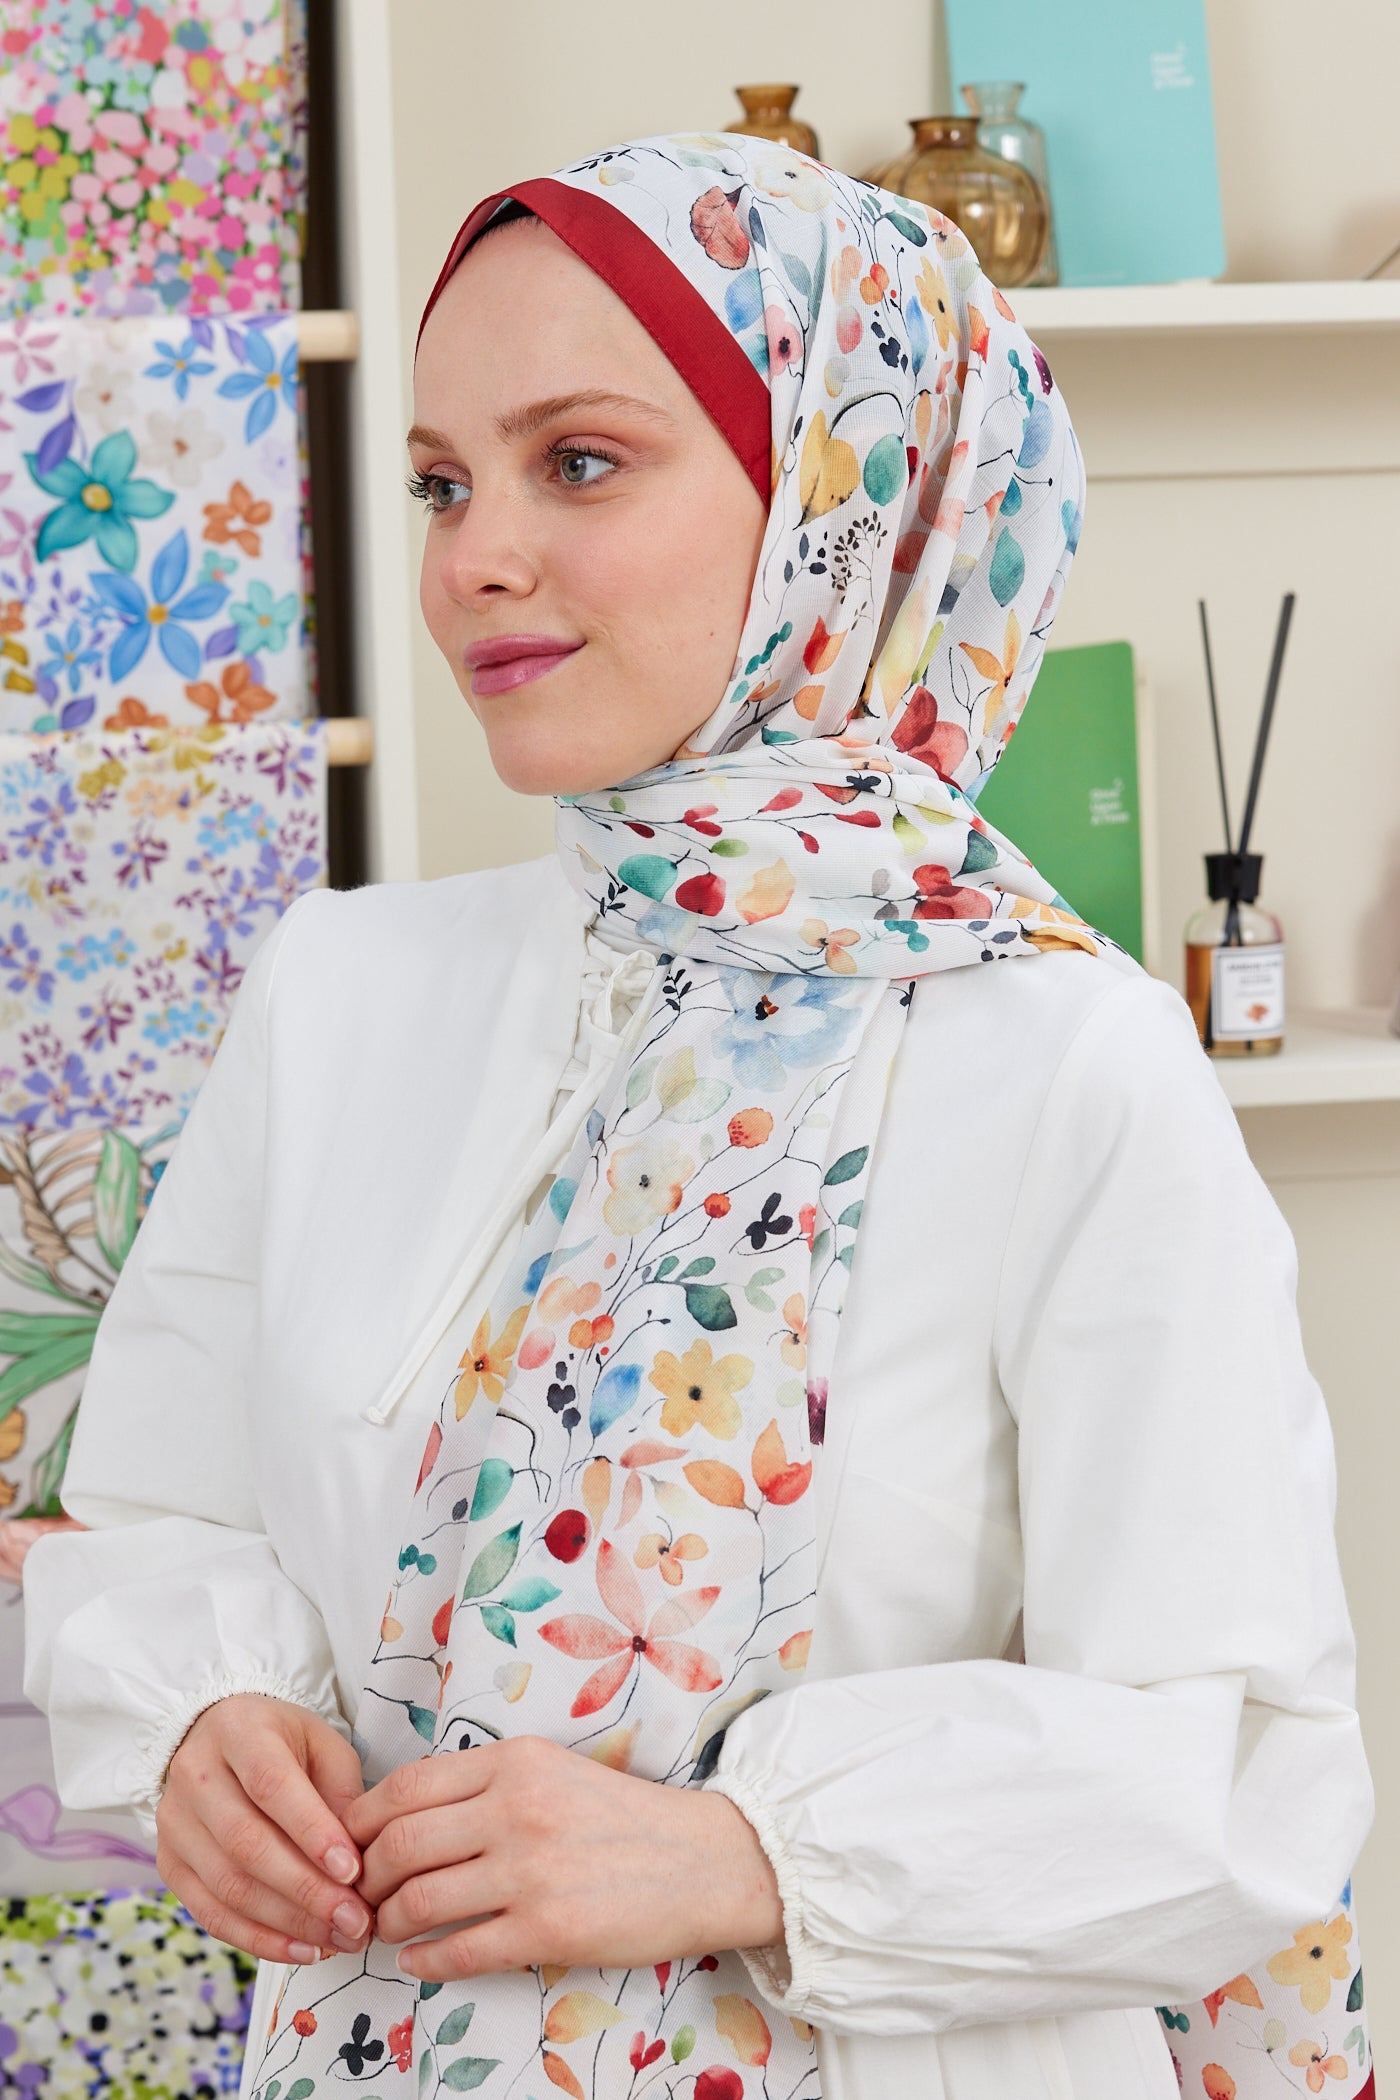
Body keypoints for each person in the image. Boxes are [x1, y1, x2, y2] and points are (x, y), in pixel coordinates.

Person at [23, 134, 1371, 2100]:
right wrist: (206, 1724)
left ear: (842, 499)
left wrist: (742, 1853)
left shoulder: (1063, 1056)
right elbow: (166, 1509)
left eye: (578, 461)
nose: (472, 559)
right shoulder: (340, 995)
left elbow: (1239, 1754)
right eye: (440, 481)